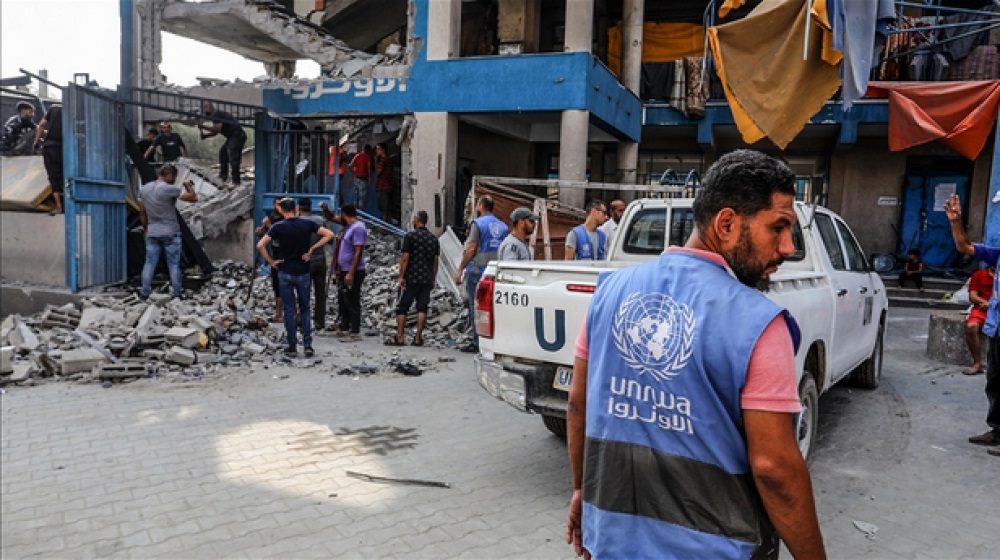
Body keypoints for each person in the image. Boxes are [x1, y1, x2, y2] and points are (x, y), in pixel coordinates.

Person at [566, 149, 826, 559]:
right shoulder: (759, 323)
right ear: (727, 224)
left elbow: (577, 404)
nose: (788, 247)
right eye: (778, 228)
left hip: (611, 543)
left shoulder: (609, 293)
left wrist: (582, 491)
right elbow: (775, 470)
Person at [944, 193, 1000, 457]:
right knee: (995, 381)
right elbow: (964, 247)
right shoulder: (997, 256)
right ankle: (997, 430)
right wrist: (955, 221)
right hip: (997, 328)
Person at [256, 198, 334, 358]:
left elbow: (260, 245)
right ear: (295, 208)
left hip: (285, 270)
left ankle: (292, 345)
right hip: (303, 270)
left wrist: (271, 261)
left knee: (289, 309)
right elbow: (329, 235)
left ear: (281, 210)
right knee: (305, 308)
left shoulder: (278, 227)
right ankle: (308, 345)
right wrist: (312, 249)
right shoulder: (307, 224)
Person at [454, 195, 508, 353]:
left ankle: (477, 341)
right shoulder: (503, 226)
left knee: (476, 306)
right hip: (495, 272)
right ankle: (494, 340)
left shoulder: (477, 224)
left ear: (480, 206)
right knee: (493, 307)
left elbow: (471, 248)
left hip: (477, 272)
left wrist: (460, 269)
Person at [138, 164, 199, 300]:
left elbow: (142, 212)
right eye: (175, 176)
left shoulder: (144, 189)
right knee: (173, 264)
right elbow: (193, 198)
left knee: (149, 263)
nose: (175, 179)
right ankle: (177, 293)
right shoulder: (169, 189)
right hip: (170, 232)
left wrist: (146, 228)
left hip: (153, 232)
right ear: (170, 175)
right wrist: (187, 185)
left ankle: (144, 293)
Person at [388, 210, 440, 347]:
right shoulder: (433, 239)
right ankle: (418, 338)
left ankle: (400, 337)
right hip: (426, 279)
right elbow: (435, 261)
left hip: (411, 277)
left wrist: (401, 276)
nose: (412, 221)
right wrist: (433, 278)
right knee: (422, 307)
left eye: (414, 219)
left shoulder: (410, 236)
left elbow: (405, 257)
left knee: (402, 307)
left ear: (417, 220)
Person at [336, 204, 368, 341]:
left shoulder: (358, 228)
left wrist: (351, 272)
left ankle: (355, 330)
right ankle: (345, 326)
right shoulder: (348, 227)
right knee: (344, 299)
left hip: (353, 271)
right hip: (345, 269)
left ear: (344, 214)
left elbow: (358, 251)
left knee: (352, 300)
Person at [298, 197, 329, 331]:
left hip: (305, 260)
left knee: (303, 292)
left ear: (299, 207)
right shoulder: (320, 220)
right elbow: (328, 239)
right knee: (320, 293)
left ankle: (303, 320)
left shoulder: (297, 222)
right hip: (320, 259)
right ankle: (319, 321)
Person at [198, 101, 247, 186]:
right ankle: (223, 176)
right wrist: (206, 136)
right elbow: (215, 132)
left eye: (204, 109)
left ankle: (236, 181)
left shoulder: (216, 114)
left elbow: (218, 129)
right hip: (233, 136)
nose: (204, 111)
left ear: (209, 107)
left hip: (237, 135)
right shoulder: (216, 115)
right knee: (223, 153)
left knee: (233, 156)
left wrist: (203, 126)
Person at [32, 105, 64, 215]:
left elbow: (41, 125)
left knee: (54, 177)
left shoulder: (54, 109)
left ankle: (59, 207)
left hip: (51, 148)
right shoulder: (75, 109)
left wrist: (36, 142)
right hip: (67, 147)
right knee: (67, 177)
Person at [964, 265, 995, 375]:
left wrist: (992, 305)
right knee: (971, 326)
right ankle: (977, 363)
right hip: (982, 309)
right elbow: (972, 296)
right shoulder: (979, 275)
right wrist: (985, 303)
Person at [375, 142, 394, 221]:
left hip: (383, 187)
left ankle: (384, 225)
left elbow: (378, 172)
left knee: (384, 209)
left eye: (378, 149)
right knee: (387, 208)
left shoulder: (383, 160)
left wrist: (376, 161)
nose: (377, 151)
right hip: (387, 186)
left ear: (383, 150)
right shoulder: (388, 160)